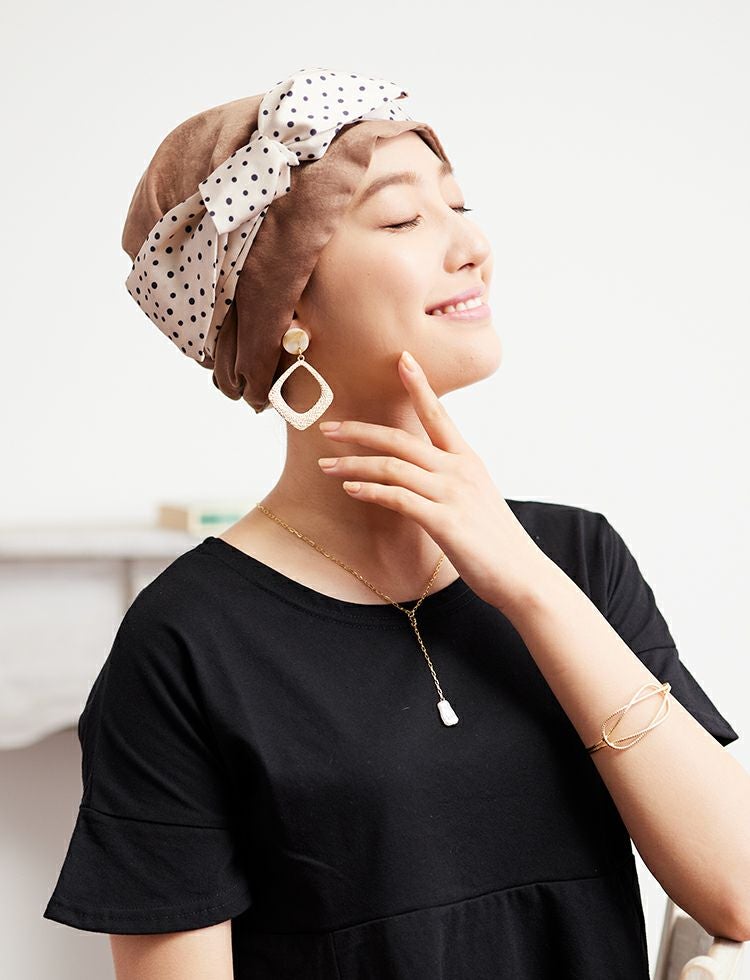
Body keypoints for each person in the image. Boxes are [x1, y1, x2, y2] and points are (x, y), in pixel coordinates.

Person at [43, 67, 746, 980]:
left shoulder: (576, 558)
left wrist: (529, 587)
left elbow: (737, 891)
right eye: (404, 219)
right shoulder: (185, 644)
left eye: (459, 206)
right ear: (287, 302)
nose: (473, 245)